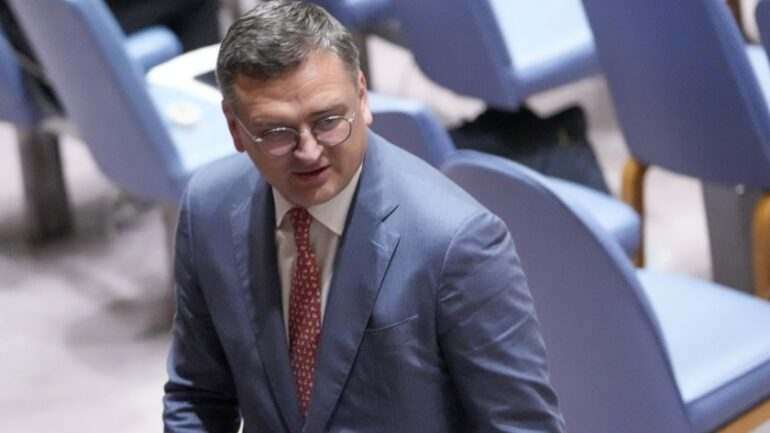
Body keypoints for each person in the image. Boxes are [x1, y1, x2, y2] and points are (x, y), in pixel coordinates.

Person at [163, 1, 565, 432]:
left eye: (328, 120)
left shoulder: (455, 243)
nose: (309, 151)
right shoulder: (209, 209)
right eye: (276, 132)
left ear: (362, 96)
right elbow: (197, 396)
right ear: (234, 128)